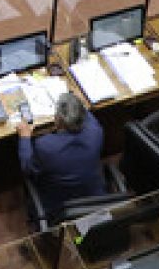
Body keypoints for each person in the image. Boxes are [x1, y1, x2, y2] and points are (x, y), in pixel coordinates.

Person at [17, 93, 105, 223]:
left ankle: (75, 239)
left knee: (77, 239)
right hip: (94, 203)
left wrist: (24, 138)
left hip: (60, 207)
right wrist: (77, 105)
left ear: (57, 120)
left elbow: (28, 168)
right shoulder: (96, 131)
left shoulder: (46, 146)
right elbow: (87, 116)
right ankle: (80, 237)